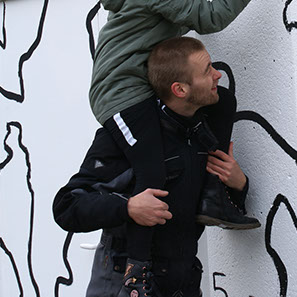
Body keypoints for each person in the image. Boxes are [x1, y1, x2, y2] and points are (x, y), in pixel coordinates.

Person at [87, 0, 260, 294]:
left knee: (221, 101)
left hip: (140, 84)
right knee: (152, 172)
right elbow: (208, 16)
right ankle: (137, 269)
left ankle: (214, 193)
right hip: (121, 91)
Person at [54, 37, 257, 297]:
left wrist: (238, 184)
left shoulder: (204, 129)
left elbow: (208, 208)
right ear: (180, 89)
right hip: (123, 283)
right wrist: (128, 207)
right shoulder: (126, 137)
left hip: (183, 282)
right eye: (207, 70)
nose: (217, 75)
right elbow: (67, 206)